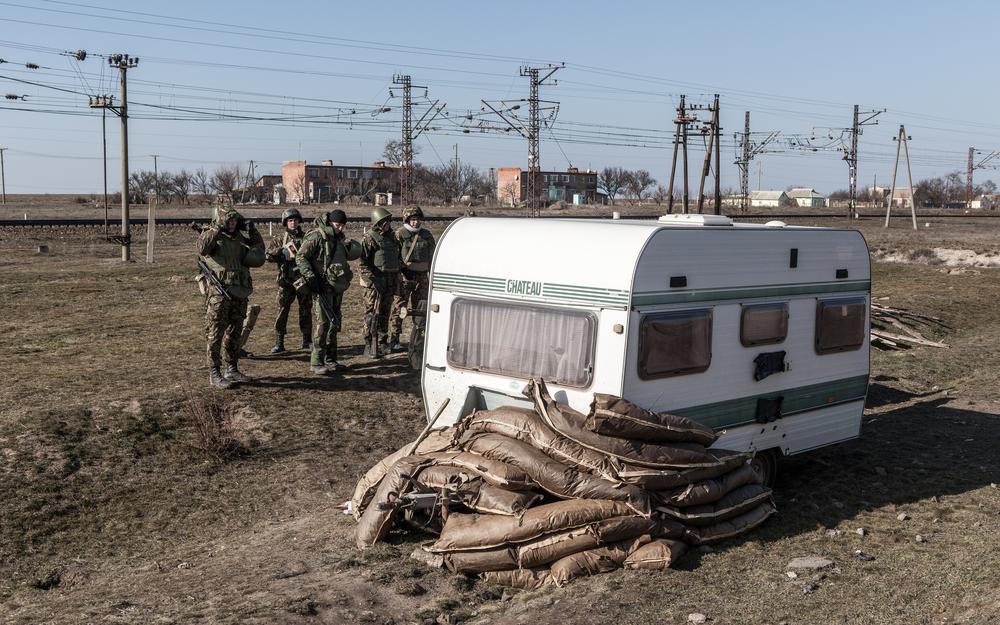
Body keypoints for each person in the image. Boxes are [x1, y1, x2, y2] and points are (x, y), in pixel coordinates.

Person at [198, 207, 266, 389]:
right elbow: (202, 248)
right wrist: (216, 229)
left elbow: (259, 250)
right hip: (219, 294)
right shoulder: (212, 235)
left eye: (235, 221)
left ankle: (232, 368)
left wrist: (252, 229)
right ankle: (214, 372)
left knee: (235, 331)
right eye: (228, 221)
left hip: (239, 292)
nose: (232, 224)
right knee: (215, 332)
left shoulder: (239, 239)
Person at [296, 210, 362, 375]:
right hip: (322, 287)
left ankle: (331, 360)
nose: (340, 228)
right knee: (323, 324)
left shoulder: (339, 238)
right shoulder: (317, 236)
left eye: (342, 225)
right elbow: (301, 257)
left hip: (336, 287)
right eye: (337, 225)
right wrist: (311, 277)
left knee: (334, 323)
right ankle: (316, 361)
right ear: (330, 222)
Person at [265, 207, 313, 354]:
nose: (293, 223)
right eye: (290, 220)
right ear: (285, 222)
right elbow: (267, 256)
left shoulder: (306, 238)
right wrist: (280, 252)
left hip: (303, 280)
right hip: (286, 281)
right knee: (282, 311)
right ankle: (279, 342)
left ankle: (307, 341)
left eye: (295, 220)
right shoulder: (279, 239)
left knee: (306, 310)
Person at [389, 205, 435, 352]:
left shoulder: (426, 235)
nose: (416, 222)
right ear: (407, 220)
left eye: (418, 219)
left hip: (422, 277)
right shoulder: (400, 234)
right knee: (400, 307)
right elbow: (394, 256)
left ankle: (419, 338)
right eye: (413, 219)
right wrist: (401, 272)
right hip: (405, 277)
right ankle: (394, 339)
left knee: (421, 308)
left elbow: (433, 255)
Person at [359, 206, 401, 359]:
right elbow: (362, 264)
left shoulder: (393, 238)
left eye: (389, 221)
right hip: (374, 283)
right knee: (371, 314)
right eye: (385, 222)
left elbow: (397, 258)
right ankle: (369, 343)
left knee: (385, 312)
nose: (388, 224)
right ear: (378, 222)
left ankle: (382, 342)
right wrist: (373, 279)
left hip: (389, 281)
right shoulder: (369, 238)